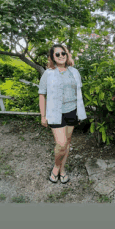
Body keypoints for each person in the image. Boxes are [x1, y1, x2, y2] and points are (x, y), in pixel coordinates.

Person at [38, 44, 87, 184]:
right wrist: (43, 115)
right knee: (61, 143)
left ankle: (62, 169)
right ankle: (56, 167)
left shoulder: (74, 72)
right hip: (55, 112)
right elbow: (42, 94)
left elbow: (78, 93)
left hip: (72, 112)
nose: (61, 56)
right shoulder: (48, 73)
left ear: (67, 54)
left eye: (63, 53)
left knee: (67, 144)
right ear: (53, 57)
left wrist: (79, 112)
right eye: (57, 54)